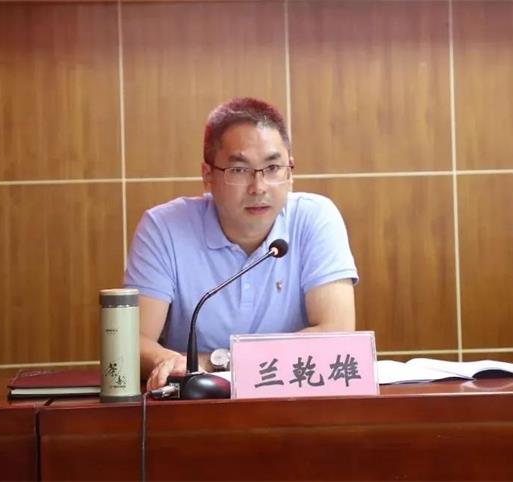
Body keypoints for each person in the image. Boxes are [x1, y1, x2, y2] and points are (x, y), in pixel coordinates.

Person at [125, 97, 359, 391]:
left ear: (290, 172)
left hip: (295, 397)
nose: (258, 187)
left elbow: (337, 334)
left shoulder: (315, 218)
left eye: (273, 167)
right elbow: (132, 341)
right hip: (198, 403)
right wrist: (170, 362)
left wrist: (215, 361)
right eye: (239, 170)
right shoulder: (164, 228)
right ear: (208, 176)